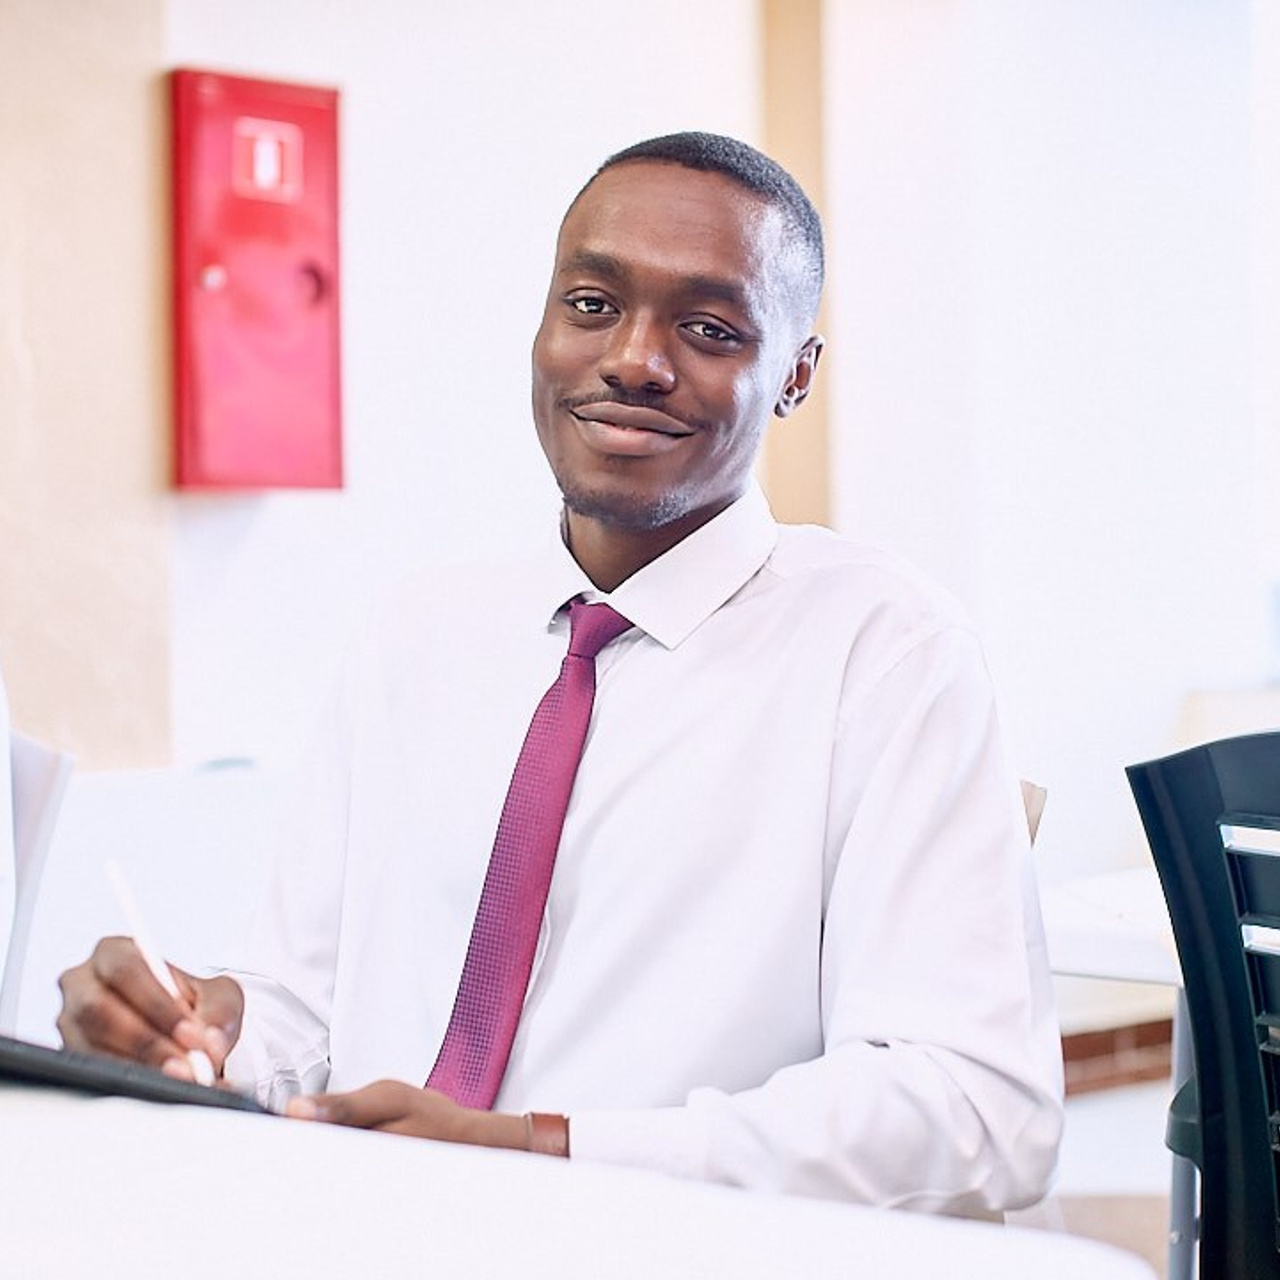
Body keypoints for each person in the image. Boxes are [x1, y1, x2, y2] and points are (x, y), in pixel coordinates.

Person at [57, 132, 1063, 1213]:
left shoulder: (886, 654)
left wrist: (545, 1149)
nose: (633, 357)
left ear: (794, 377)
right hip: (371, 1228)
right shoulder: (417, 633)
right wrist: (203, 1025)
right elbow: (305, 1012)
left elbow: (976, 1107)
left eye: (709, 327)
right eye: (590, 304)